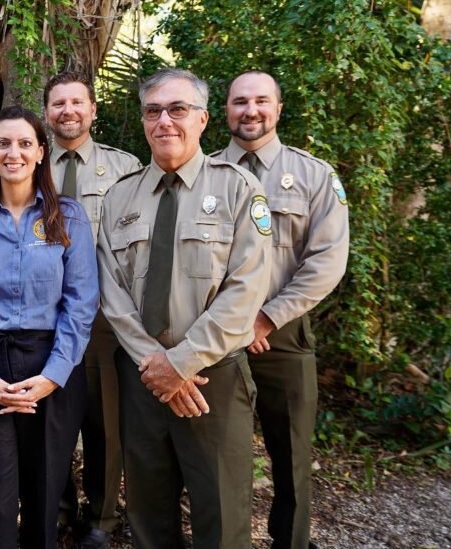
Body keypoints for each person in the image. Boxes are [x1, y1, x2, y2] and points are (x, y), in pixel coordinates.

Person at [97, 68, 272, 549]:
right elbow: (111, 292)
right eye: (153, 111)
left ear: (203, 119)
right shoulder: (120, 197)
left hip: (212, 376)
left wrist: (180, 363)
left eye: (178, 110)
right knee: (149, 516)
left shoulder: (238, 190)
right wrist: (156, 365)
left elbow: (245, 291)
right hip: (142, 378)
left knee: (222, 515)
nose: (165, 121)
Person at [0, 106, 99, 549]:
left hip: (52, 364)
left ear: (41, 152)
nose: (14, 153)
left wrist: (53, 375)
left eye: (25, 143)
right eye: (4, 143)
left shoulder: (68, 217)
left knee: (45, 491)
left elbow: (81, 302)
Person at [214, 70, 349, 549]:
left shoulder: (313, 175)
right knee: (216, 454)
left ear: (278, 108)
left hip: (283, 333)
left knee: (291, 452)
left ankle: (290, 541)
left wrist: (267, 316)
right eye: (239, 101)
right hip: (215, 335)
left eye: (261, 101)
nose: (250, 110)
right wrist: (229, 322)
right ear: (225, 110)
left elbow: (328, 260)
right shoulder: (204, 173)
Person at [44, 71, 141, 549]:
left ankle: (101, 515)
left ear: (93, 110)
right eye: (58, 104)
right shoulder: (31, 163)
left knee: (104, 418)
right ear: (47, 113)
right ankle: (55, 507)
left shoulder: (124, 167)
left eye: (77, 102)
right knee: (52, 413)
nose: (68, 111)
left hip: (104, 314)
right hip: (44, 313)